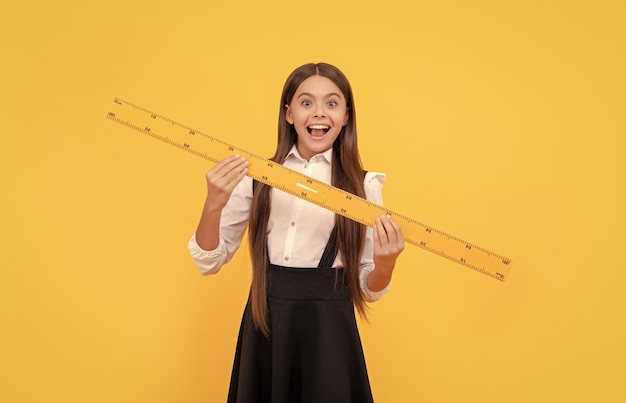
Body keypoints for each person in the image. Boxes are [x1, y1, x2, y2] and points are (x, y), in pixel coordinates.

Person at [188, 62, 405, 403]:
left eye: (332, 103)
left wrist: (386, 263)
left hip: (330, 333)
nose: (319, 113)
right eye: (306, 103)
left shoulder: (364, 186)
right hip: (267, 326)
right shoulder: (257, 176)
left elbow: (369, 285)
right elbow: (209, 261)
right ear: (288, 113)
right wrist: (213, 203)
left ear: (347, 115)